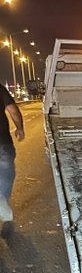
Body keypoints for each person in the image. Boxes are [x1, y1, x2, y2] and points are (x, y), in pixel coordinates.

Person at [0, 84, 25, 222]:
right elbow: (13, 110)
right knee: (6, 170)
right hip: (2, 141)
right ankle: (1, 197)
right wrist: (19, 128)